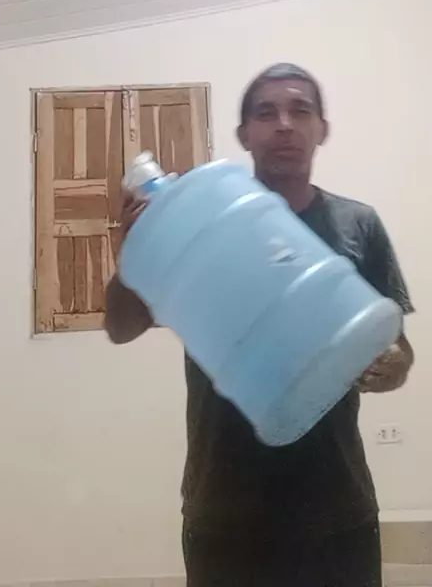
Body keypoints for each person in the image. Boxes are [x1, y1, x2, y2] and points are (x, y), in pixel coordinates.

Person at [105, 63, 414, 587]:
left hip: (335, 500)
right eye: (266, 113)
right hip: (224, 503)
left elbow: (398, 349)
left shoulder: (357, 223)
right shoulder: (202, 224)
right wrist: (136, 253)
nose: (284, 124)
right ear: (244, 134)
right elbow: (121, 327)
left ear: (322, 129)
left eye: (300, 110)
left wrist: (390, 364)